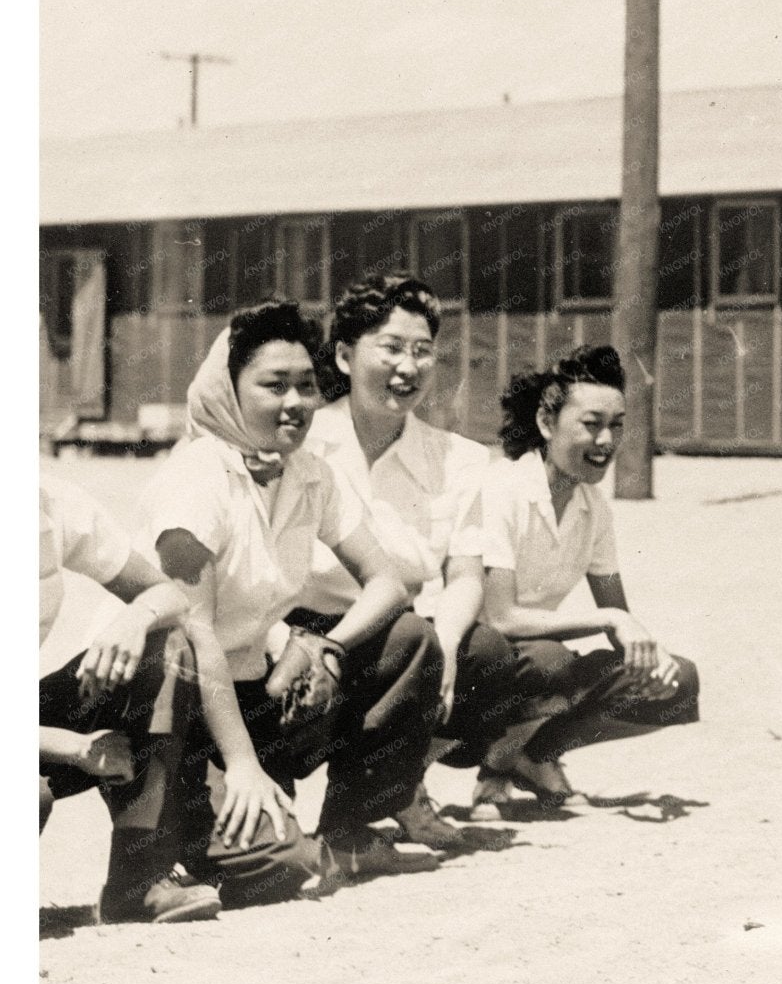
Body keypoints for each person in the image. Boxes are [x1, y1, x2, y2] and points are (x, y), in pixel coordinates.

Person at [144, 299, 442, 904]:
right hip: (183, 710)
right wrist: (244, 765)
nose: (296, 403)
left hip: (256, 691)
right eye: (273, 385)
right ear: (228, 392)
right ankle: (229, 830)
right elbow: (195, 640)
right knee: (280, 865)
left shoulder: (308, 472)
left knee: (410, 639)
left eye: (307, 386)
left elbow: (386, 580)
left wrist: (328, 645)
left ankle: (350, 828)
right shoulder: (197, 475)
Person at [302, 274, 530, 849]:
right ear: (346, 356)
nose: (408, 367)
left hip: (404, 640)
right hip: (305, 632)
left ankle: (388, 796)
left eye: (423, 351)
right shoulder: (302, 443)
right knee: (409, 640)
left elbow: (464, 575)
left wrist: (447, 647)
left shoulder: (458, 459)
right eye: (392, 347)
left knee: (487, 656)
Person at [469, 343, 699, 811]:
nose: (606, 442)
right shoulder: (501, 490)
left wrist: (650, 664)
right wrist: (609, 619)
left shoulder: (593, 508)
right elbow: (501, 618)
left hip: (530, 664)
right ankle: (469, 767)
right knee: (550, 662)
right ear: (546, 424)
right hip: (468, 669)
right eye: (591, 424)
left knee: (680, 682)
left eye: (616, 426)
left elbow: (621, 623)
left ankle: (532, 757)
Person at [39, 475, 220, 923]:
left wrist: (135, 618)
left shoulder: (49, 499)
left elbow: (170, 595)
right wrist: (73, 746)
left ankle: (136, 880)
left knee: (166, 647)